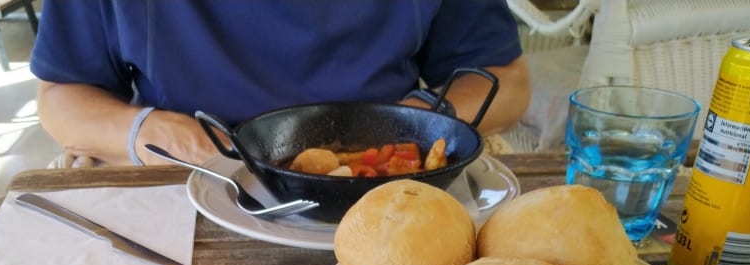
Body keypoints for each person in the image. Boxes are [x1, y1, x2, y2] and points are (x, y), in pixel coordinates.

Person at [30, 1, 530, 167]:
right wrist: (152, 132)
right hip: (188, 173)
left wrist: (415, 123)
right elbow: (62, 94)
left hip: (385, 176)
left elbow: (505, 80)